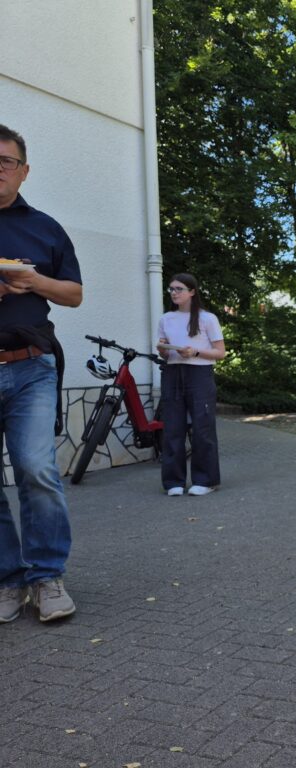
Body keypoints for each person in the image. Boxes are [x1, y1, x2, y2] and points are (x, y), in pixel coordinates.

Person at [0, 124, 83, 623]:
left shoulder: (46, 227)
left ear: (23, 170)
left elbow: (74, 294)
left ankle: (47, 575)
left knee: (37, 470)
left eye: (5, 162)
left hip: (31, 367)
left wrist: (34, 280)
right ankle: (9, 579)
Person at [157, 273, 225, 497]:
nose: (174, 293)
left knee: (202, 428)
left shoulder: (207, 319)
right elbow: (164, 353)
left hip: (199, 374)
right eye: (171, 289)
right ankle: (173, 481)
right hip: (173, 372)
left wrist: (195, 351)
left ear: (192, 292)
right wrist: (163, 350)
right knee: (172, 428)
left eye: (179, 289)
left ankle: (206, 480)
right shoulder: (166, 318)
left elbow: (220, 353)